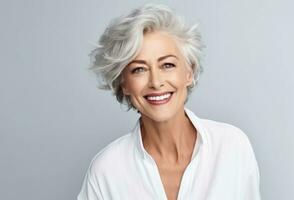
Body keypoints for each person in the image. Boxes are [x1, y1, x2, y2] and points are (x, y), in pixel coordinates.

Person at [77, 4, 261, 200]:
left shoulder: (232, 147)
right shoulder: (106, 171)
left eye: (167, 65)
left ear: (189, 72)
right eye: (139, 69)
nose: (156, 82)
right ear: (124, 84)